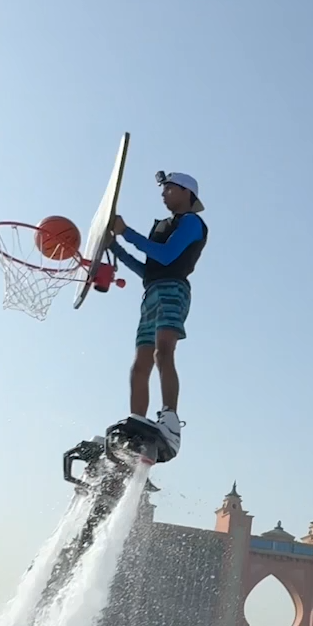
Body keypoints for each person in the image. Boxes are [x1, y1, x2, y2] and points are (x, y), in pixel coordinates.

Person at [110, 171, 209, 458]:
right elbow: (147, 271)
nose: (163, 194)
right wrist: (115, 247)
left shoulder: (191, 222)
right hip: (151, 292)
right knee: (139, 362)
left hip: (173, 290)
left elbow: (166, 257)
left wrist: (126, 233)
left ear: (186, 192)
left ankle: (170, 419)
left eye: (168, 189)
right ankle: (137, 427)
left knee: (162, 352)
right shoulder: (163, 225)